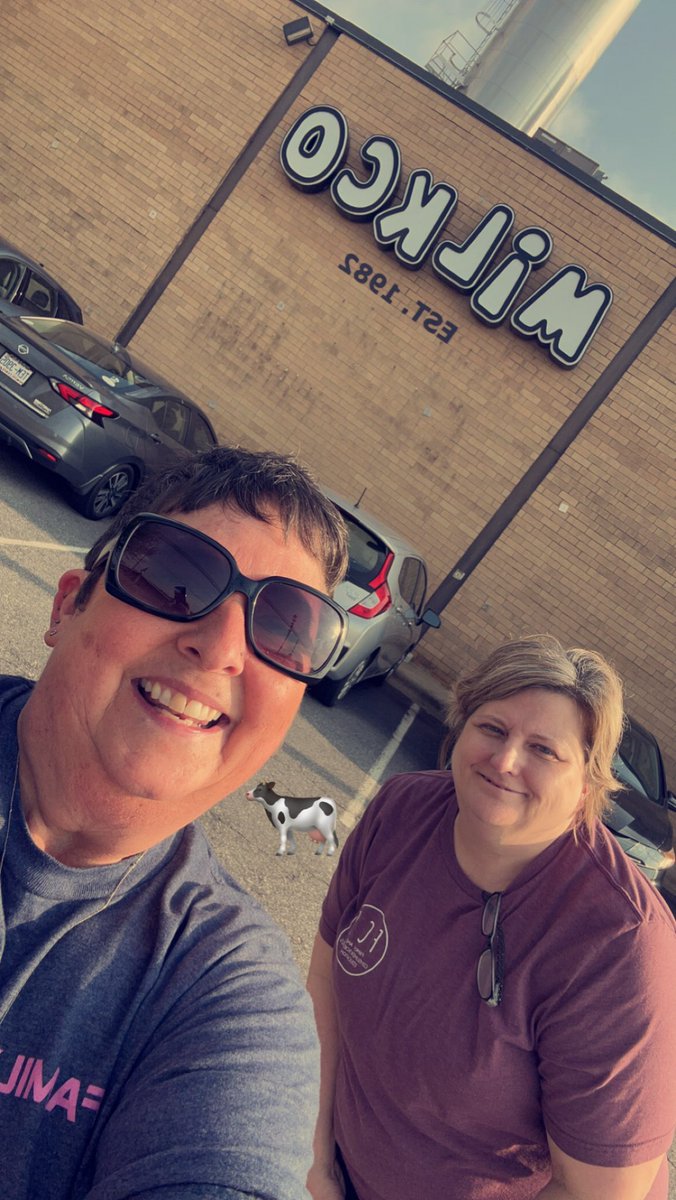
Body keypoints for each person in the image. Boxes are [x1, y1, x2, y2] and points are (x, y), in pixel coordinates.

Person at [0, 445, 350, 1200]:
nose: (221, 647)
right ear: (68, 604)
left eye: (287, 628)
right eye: (174, 575)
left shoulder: (232, 998)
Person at [307, 635, 676, 1200]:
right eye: (494, 729)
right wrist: (315, 1162)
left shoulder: (620, 943)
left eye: (544, 751)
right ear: (461, 727)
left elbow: (595, 1194)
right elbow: (325, 984)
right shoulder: (400, 811)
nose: (505, 762)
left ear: (586, 785)